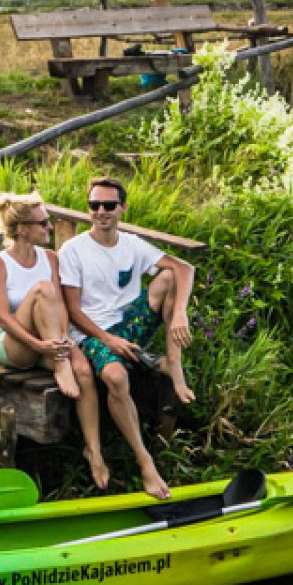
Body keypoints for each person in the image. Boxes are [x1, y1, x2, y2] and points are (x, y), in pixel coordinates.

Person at [59, 176, 195, 500]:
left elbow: (185, 268)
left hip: (128, 322)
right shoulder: (73, 250)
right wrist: (108, 340)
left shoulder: (132, 244)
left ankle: (172, 365)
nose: (101, 212)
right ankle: (145, 462)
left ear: (122, 208)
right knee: (116, 377)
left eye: (108, 205)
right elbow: (74, 312)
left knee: (168, 276)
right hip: (92, 331)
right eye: (94, 205)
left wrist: (179, 313)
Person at [0, 193, 95, 414]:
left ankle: (93, 446)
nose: (49, 228)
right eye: (43, 223)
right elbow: (4, 319)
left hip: (49, 340)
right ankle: (61, 365)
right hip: (15, 345)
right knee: (43, 289)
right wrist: (39, 346)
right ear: (22, 229)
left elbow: (61, 306)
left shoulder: (50, 258)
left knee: (84, 369)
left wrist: (64, 336)